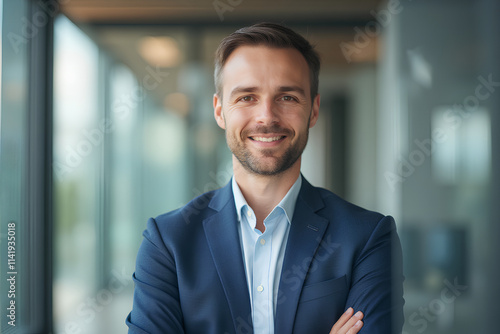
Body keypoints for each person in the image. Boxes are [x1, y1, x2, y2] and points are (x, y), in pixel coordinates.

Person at [126, 22, 404, 334]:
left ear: (313, 110)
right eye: (247, 97)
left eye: (287, 97)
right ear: (220, 111)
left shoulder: (367, 237)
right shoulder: (168, 242)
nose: (267, 117)